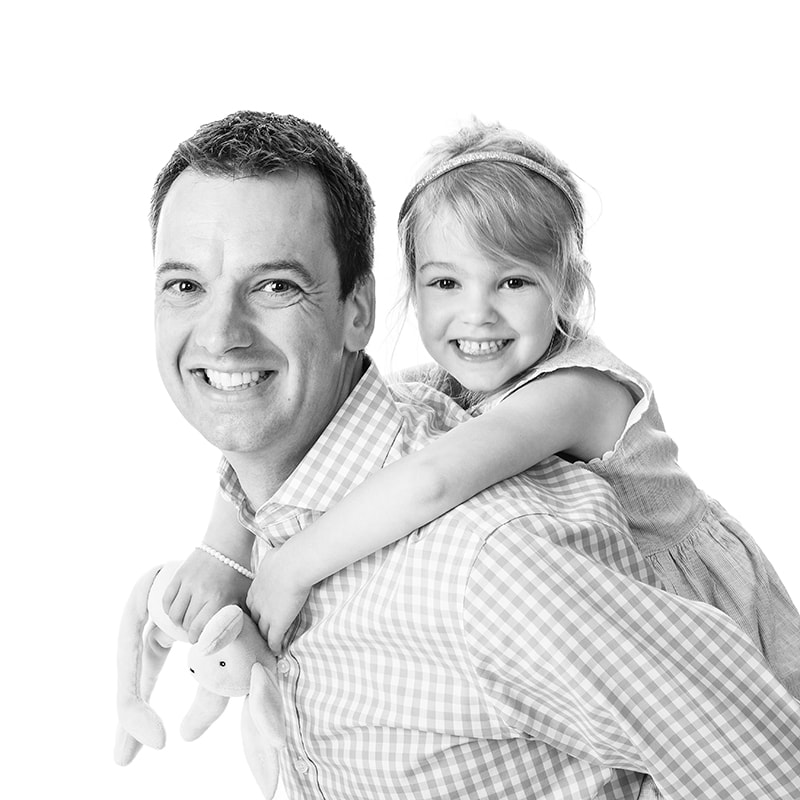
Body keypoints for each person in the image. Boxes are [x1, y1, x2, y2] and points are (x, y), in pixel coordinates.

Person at [128, 110, 800, 799]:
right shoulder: (424, 406)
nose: (476, 314)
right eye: (446, 283)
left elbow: (433, 478)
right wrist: (224, 549)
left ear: (568, 285)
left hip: (714, 613)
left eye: (512, 281)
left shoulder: (565, 411)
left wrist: (293, 567)